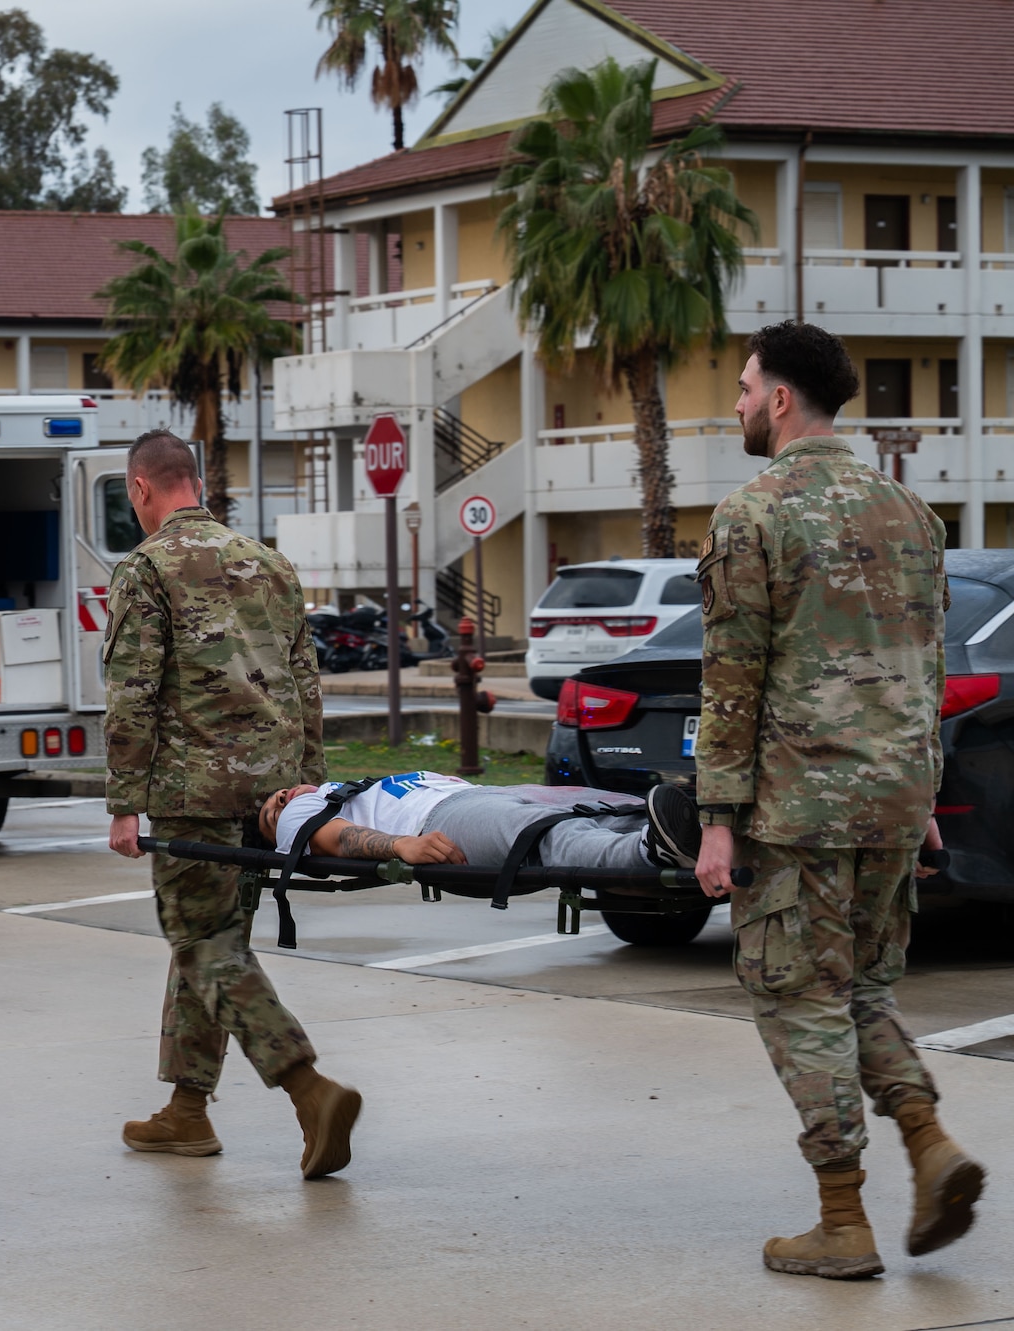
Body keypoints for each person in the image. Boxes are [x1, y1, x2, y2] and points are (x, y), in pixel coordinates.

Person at [693, 320, 983, 1280]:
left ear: (780, 399)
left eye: (742, 388)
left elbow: (733, 681)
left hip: (799, 806)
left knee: (796, 995)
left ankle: (842, 1220)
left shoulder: (754, 514)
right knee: (861, 989)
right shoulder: (910, 511)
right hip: (895, 797)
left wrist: (717, 820)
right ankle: (929, 1139)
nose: (736, 403)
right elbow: (926, 664)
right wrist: (924, 789)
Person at [103, 428, 360, 1179]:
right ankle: (187, 1111)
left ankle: (308, 1087)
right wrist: (306, 788)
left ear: (142, 489)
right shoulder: (272, 565)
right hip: (271, 793)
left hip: (194, 795)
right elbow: (306, 683)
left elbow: (132, 694)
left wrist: (124, 802)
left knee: (206, 945)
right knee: (210, 944)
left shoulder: (147, 568)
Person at [257, 773, 699, 873]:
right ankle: (645, 853)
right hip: (441, 818)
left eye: (279, 797)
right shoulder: (301, 810)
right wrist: (398, 847)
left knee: (610, 807)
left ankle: (692, 836)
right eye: (272, 812)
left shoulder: (347, 786)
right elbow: (331, 839)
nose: (281, 800)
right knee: (543, 833)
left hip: (486, 794)